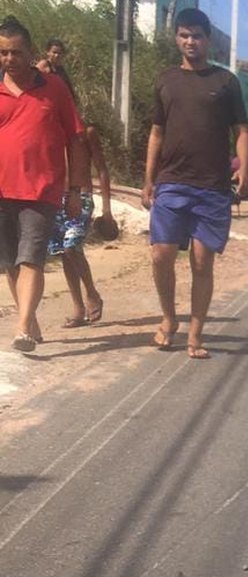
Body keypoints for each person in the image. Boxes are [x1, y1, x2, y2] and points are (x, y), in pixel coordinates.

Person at [141, 8, 248, 359]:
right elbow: (156, 132)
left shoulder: (226, 82)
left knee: (202, 263)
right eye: (185, 35)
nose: (191, 42)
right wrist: (148, 180)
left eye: (198, 36)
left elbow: (241, 131)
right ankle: (169, 318)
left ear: (208, 39)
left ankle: (196, 335)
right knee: (161, 254)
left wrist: (244, 167)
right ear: (176, 38)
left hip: (213, 185)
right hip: (172, 181)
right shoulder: (166, 80)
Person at [0, 16, 89, 352]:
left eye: (16, 53)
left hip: (42, 190)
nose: (9, 59)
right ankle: (31, 320)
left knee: (31, 258)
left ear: (30, 51)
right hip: (1, 191)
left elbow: (75, 139)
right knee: (9, 262)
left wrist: (75, 191)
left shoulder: (54, 89)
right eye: (3, 53)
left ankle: (22, 327)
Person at [48, 124, 115, 327]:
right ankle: (78, 308)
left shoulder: (87, 133)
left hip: (83, 196)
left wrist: (107, 209)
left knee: (71, 247)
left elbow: (102, 169)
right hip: (57, 199)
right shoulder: (50, 131)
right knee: (64, 253)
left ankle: (92, 293)